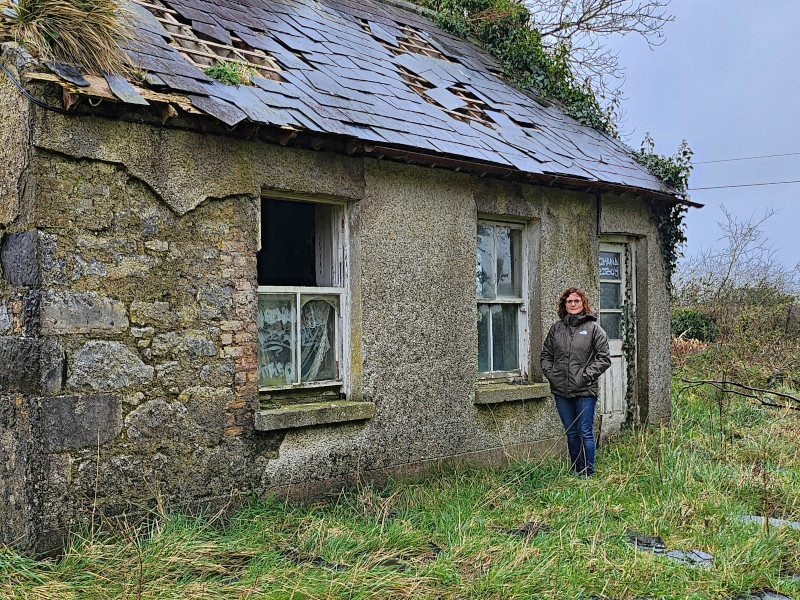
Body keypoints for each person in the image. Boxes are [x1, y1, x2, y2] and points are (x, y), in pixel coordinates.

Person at [541, 287, 611, 477]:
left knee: (585, 432)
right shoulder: (556, 329)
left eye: (576, 301)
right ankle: (576, 470)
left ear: (583, 304)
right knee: (571, 433)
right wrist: (552, 374)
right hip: (561, 391)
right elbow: (546, 355)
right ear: (564, 305)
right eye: (569, 301)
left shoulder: (594, 329)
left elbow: (604, 359)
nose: (573, 304)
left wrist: (585, 376)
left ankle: (588, 473)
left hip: (585, 391)